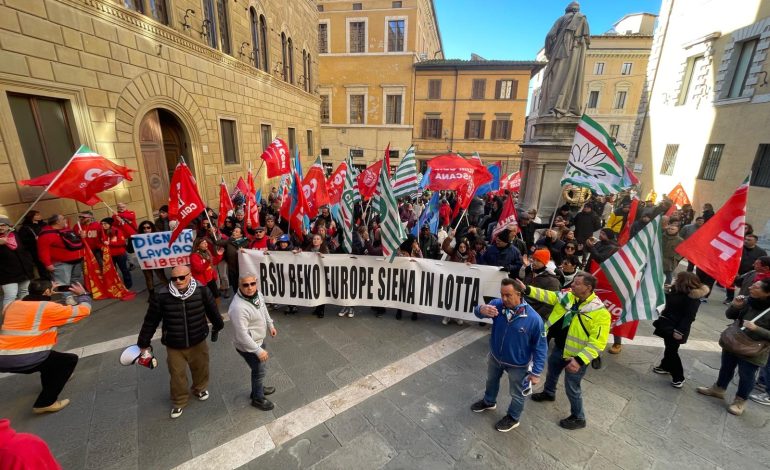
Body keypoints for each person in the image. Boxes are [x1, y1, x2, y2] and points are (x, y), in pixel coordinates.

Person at [517, 272, 611, 430]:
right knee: (552, 372)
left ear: (588, 288)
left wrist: (579, 360)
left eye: (577, 283)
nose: (572, 285)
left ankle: (579, 417)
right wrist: (526, 289)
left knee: (572, 387)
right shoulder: (569, 296)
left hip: (576, 357)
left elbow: (598, 343)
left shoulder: (600, 313)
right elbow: (550, 296)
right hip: (560, 347)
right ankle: (549, 393)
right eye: (573, 282)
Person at [136, 265, 224, 419]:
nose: (178, 281)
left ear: (190, 276)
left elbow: (212, 310)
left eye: (182, 277)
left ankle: (200, 388)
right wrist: (143, 342)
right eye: (174, 278)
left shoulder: (202, 290)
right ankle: (179, 401)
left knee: (201, 367)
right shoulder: (162, 295)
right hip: (174, 343)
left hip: (198, 339)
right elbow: (151, 321)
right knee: (177, 374)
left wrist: (218, 325)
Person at [0, 280, 91, 413]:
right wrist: (83, 294)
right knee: (69, 361)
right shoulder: (48, 308)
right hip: (26, 358)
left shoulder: (12, 305)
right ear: (48, 291)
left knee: (51, 360)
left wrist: (48, 294)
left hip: (3, 357)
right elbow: (83, 310)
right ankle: (45, 402)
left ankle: (51, 381)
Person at [470, 278, 548, 432]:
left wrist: (536, 372)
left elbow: (540, 347)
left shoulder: (534, 320)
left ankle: (513, 417)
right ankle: (489, 401)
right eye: (502, 294)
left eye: (508, 295)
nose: (503, 299)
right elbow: (477, 312)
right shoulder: (497, 305)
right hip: (495, 357)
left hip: (518, 365)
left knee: (517, 393)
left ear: (519, 294)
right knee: (491, 381)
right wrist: (481, 310)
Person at [697, 278, 770, 416]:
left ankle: (740, 401)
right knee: (726, 366)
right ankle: (718, 389)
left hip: (754, 349)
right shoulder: (749, 300)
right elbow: (729, 315)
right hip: (734, 340)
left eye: (756, 287)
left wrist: (756, 329)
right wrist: (736, 306)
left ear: (767, 293)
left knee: (746, 375)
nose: (750, 288)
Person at [652, 272, 709, 388]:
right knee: (669, 348)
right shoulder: (677, 291)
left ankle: (679, 377)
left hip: (677, 328)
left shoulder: (692, 298)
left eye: (677, 278)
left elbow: (689, 317)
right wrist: (668, 290)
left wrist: (679, 331)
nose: (674, 279)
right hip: (669, 324)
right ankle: (665, 366)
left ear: (683, 281)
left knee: (672, 351)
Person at [229, 273, 278, 410]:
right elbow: (241, 335)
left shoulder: (257, 294)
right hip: (248, 346)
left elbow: (263, 310)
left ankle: (258, 389)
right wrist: (258, 350)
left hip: (258, 339)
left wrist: (270, 325)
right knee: (259, 371)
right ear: (239, 285)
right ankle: (257, 398)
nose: (250, 288)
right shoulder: (238, 308)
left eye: (252, 284)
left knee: (259, 369)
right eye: (245, 285)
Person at [538, 1, 590, 117]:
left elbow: (550, 35)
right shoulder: (583, 21)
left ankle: (552, 107)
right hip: (575, 56)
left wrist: (548, 51)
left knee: (555, 78)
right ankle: (566, 106)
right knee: (571, 78)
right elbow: (587, 40)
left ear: (567, 10)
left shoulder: (562, 19)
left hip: (560, 52)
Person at [37, 214, 84, 296]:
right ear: (57, 222)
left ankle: (75, 294)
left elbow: (74, 242)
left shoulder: (67, 230)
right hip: (61, 263)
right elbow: (43, 250)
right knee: (63, 283)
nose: (65, 220)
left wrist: (80, 236)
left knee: (75, 279)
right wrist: (48, 264)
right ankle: (68, 298)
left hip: (76, 260)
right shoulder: (45, 234)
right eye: (63, 219)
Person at [0, 216, 34, 308]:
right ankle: (9, 318)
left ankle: (24, 314)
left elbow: (27, 247)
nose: (1, 227)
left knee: (24, 293)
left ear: (8, 226)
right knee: (10, 296)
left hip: (23, 271)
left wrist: (29, 262)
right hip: (6, 274)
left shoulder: (15, 234)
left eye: (3, 225)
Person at [725, 234, 767, 304]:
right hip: (735, 271)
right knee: (730, 284)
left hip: (749, 273)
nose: (746, 241)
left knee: (746, 287)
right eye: (745, 239)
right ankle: (729, 298)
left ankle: (743, 300)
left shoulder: (761, 252)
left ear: (755, 242)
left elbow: (762, 263)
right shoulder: (738, 248)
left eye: (749, 240)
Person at [522, 249, 562, 321]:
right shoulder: (530, 274)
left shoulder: (552, 281)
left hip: (536, 318)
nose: (534, 262)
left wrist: (534, 317)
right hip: (523, 312)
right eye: (533, 259)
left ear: (545, 262)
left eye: (538, 260)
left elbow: (549, 305)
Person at [137, 221, 169, 299]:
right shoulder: (137, 238)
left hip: (156, 261)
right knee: (149, 278)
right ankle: (151, 295)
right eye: (144, 228)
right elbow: (130, 250)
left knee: (161, 276)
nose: (146, 230)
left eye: (148, 227)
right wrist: (132, 241)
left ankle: (170, 291)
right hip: (145, 261)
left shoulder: (158, 236)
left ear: (152, 228)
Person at [100, 217, 132, 289]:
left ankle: (128, 284)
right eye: (102, 224)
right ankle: (115, 284)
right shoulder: (102, 232)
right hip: (110, 255)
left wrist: (109, 243)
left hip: (120, 254)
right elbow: (100, 242)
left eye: (105, 224)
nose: (103, 225)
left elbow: (122, 242)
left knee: (124, 269)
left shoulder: (117, 231)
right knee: (113, 271)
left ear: (110, 224)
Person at [17, 210, 48, 279]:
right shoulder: (25, 228)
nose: (40, 216)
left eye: (39, 214)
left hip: (48, 248)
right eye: (37, 215)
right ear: (31, 217)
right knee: (42, 267)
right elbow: (22, 241)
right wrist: (34, 240)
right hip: (36, 251)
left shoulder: (44, 225)